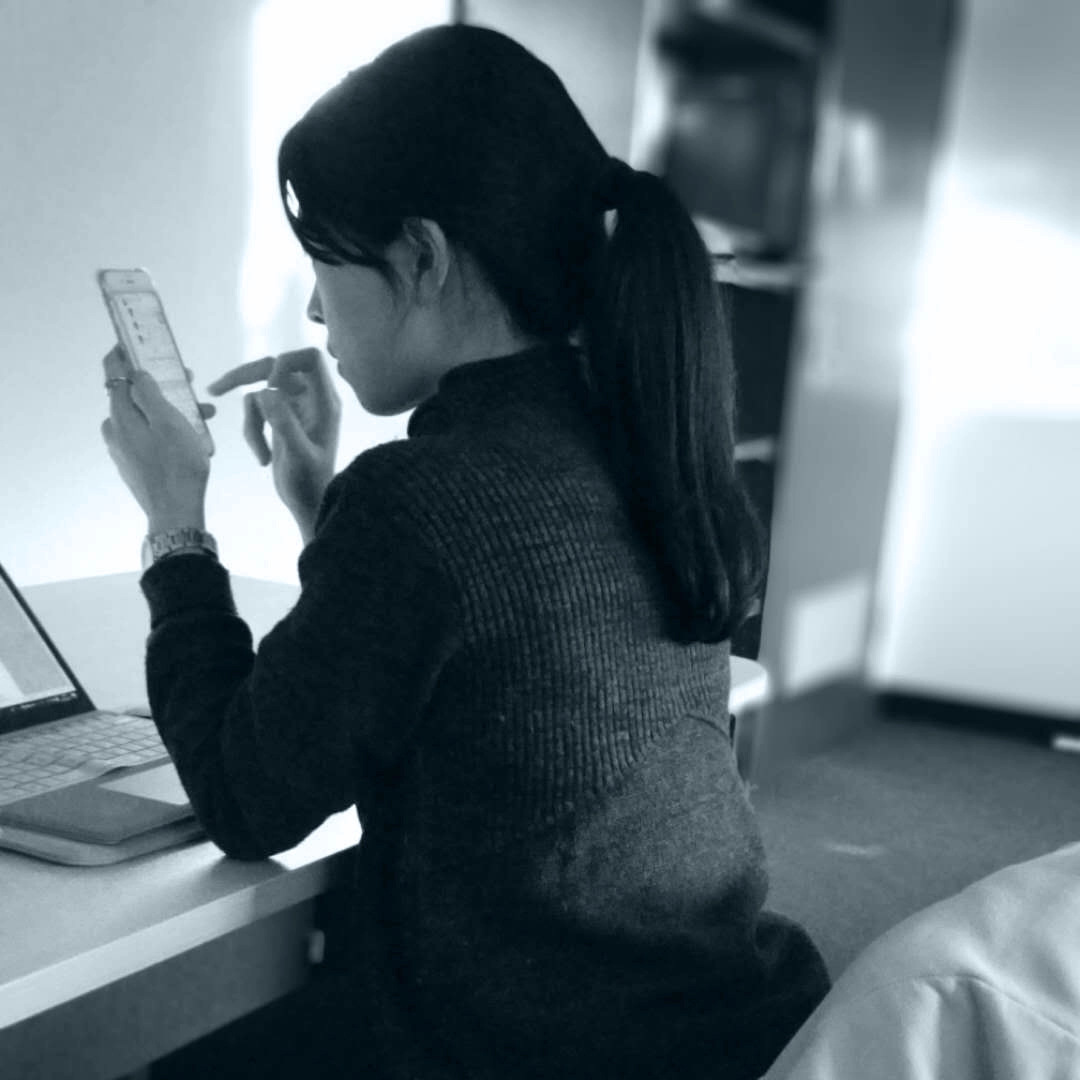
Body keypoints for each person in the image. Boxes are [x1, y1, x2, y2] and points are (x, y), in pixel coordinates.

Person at [100, 23, 830, 1080]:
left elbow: (243, 797)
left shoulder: (425, 505)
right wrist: (323, 504)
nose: (313, 307)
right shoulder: (634, 434)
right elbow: (470, 665)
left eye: (324, 263)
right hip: (710, 1023)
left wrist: (176, 522)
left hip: (525, 1050)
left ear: (423, 258)